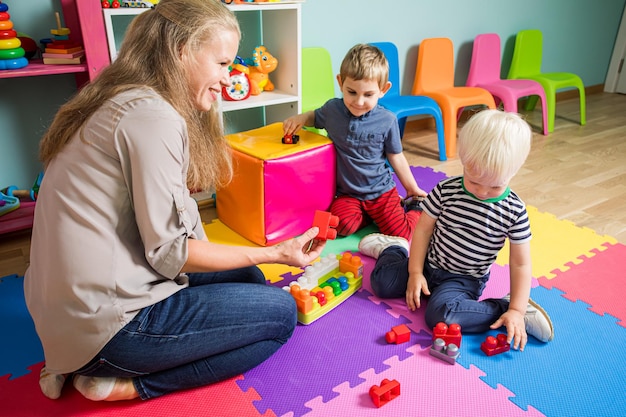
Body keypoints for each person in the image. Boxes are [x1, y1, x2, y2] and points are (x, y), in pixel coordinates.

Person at [24, 0, 326, 402]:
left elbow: (175, 229)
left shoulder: (120, 97)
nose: (228, 76)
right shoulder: (154, 117)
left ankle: (76, 362)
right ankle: (124, 383)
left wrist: (256, 261)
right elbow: (171, 253)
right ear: (180, 50)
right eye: (221, 63)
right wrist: (273, 252)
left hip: (67, 315)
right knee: (280, 315)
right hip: (109, 327)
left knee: (249, 284)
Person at [358, 109, 554, 351]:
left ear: (514, 171)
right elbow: (422, 232)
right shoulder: (446, 190)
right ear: (463, 159)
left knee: (440, 316)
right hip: (429, 263)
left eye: (494, 185)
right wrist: (416, 272)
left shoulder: (514, 211)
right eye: (473, 180)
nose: (481, 192)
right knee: (381, 283)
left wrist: (516, 308)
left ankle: (505, 307)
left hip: (464, 280)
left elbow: (521, 264)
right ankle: (394, 249)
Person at [283, 43, 427, 241]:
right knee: (341, 226)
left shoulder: (387, 120)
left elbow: (396, 156)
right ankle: (368, 216)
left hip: (380, 192)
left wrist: (411, 188)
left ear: (383, 90)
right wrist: (301, 118)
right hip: (347, 193)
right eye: (351, 92)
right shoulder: (332, 110)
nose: (359, 102)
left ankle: (415, 208)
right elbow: (314, 117)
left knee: (402, 235)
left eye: (368, 95)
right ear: (340, 82)